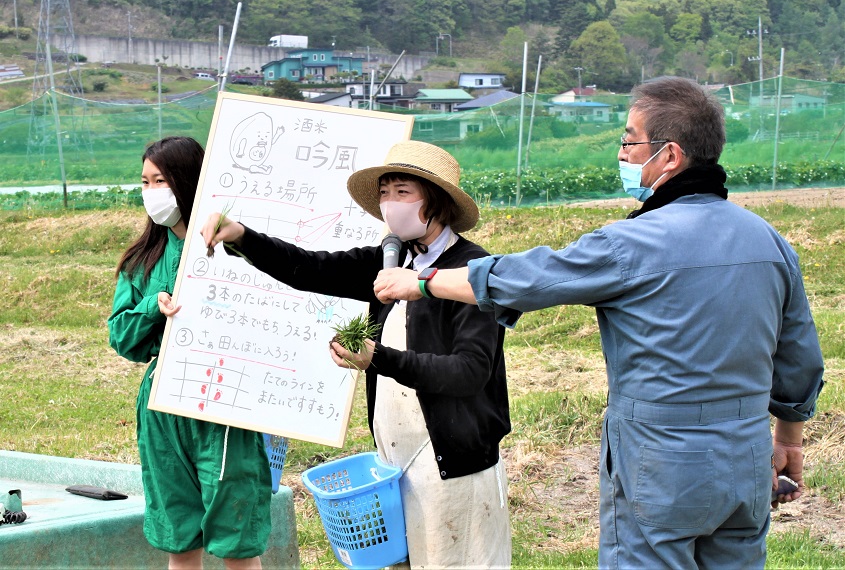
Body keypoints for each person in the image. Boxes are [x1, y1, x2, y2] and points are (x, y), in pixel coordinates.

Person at [373, 78, 825, 569]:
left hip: (661, 462)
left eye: (630, 140)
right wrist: (788, 441)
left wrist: (421, 283)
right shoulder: (771, 242)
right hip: (745, 458)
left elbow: (526, 278)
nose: (623, 152)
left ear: (669, 156)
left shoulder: (630, 243)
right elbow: (800, 360)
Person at [196, 140, 512, 568]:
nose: (390, 204)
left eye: (404, 192)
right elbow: (308, 267)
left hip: (456, 461)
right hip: (395, 454)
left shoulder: (473, 272)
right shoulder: (390, 259)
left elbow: (469, 372)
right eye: (384, 193)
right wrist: (243, 237)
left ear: (436, 202)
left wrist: (378, 358)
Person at [108, 136, 271, 570]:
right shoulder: (142, 260)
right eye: (144, 181)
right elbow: (122, 337)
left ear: (187, 180)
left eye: (160, 180)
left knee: (236, 535)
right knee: (178, 535)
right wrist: (154, 303)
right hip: (163, 403)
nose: (151, 191)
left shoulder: (237, 248)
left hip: (222, 400)